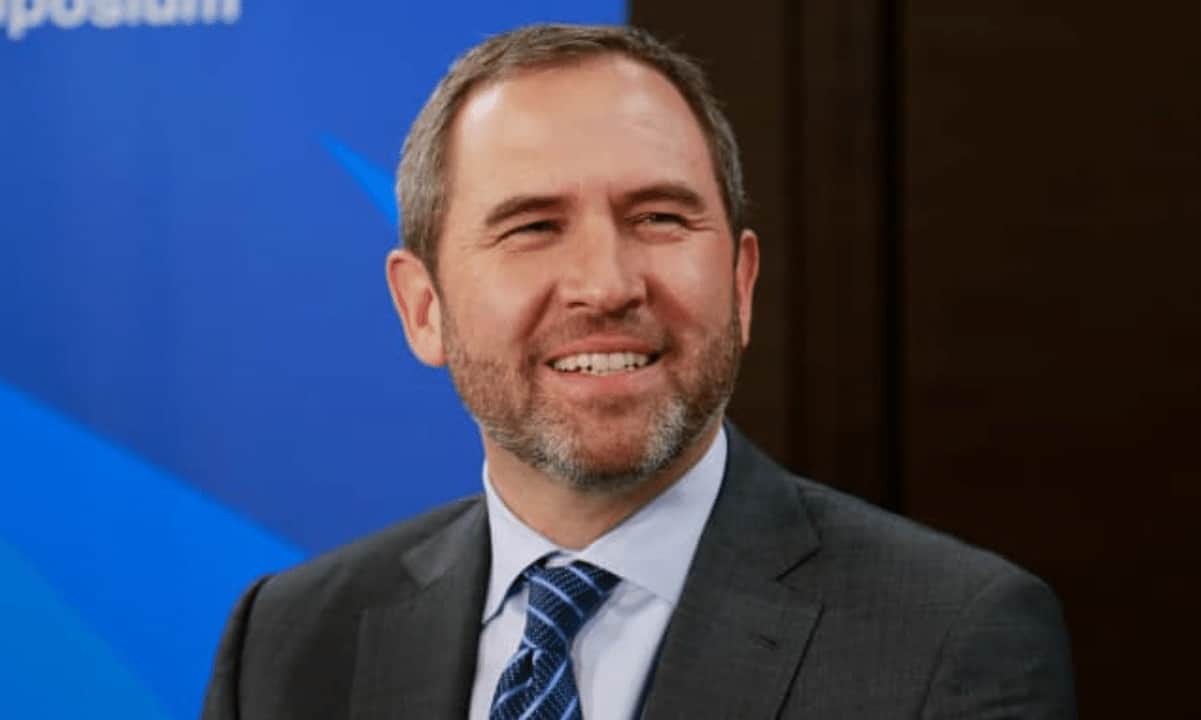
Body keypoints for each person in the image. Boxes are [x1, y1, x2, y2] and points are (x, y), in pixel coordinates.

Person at [202, 23, 1075, 719]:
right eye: (533, 227)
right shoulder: (287, 644)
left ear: (740, 284)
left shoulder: (950, 640)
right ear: (422, 307)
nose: (607, 285)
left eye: (658, 217)